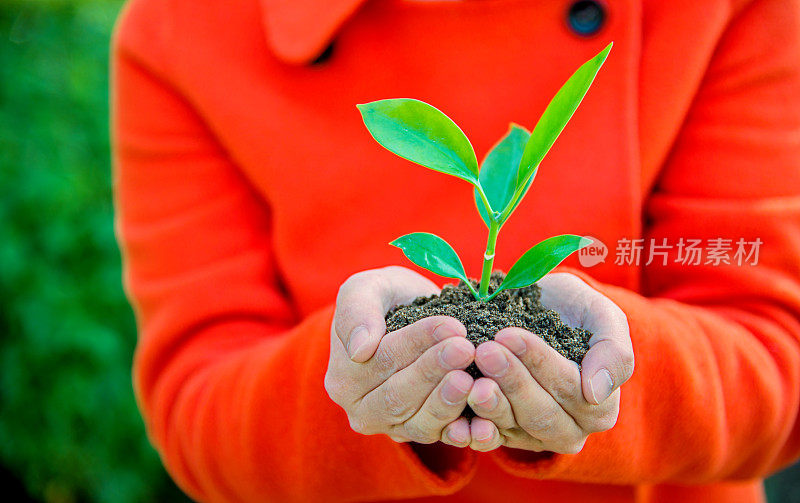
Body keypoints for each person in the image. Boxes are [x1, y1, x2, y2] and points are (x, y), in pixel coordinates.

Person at [111, 0, 800, 501]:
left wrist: (616, 368)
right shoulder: (181, 32)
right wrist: (349, 371)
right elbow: (195, 397)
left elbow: (777, 355)